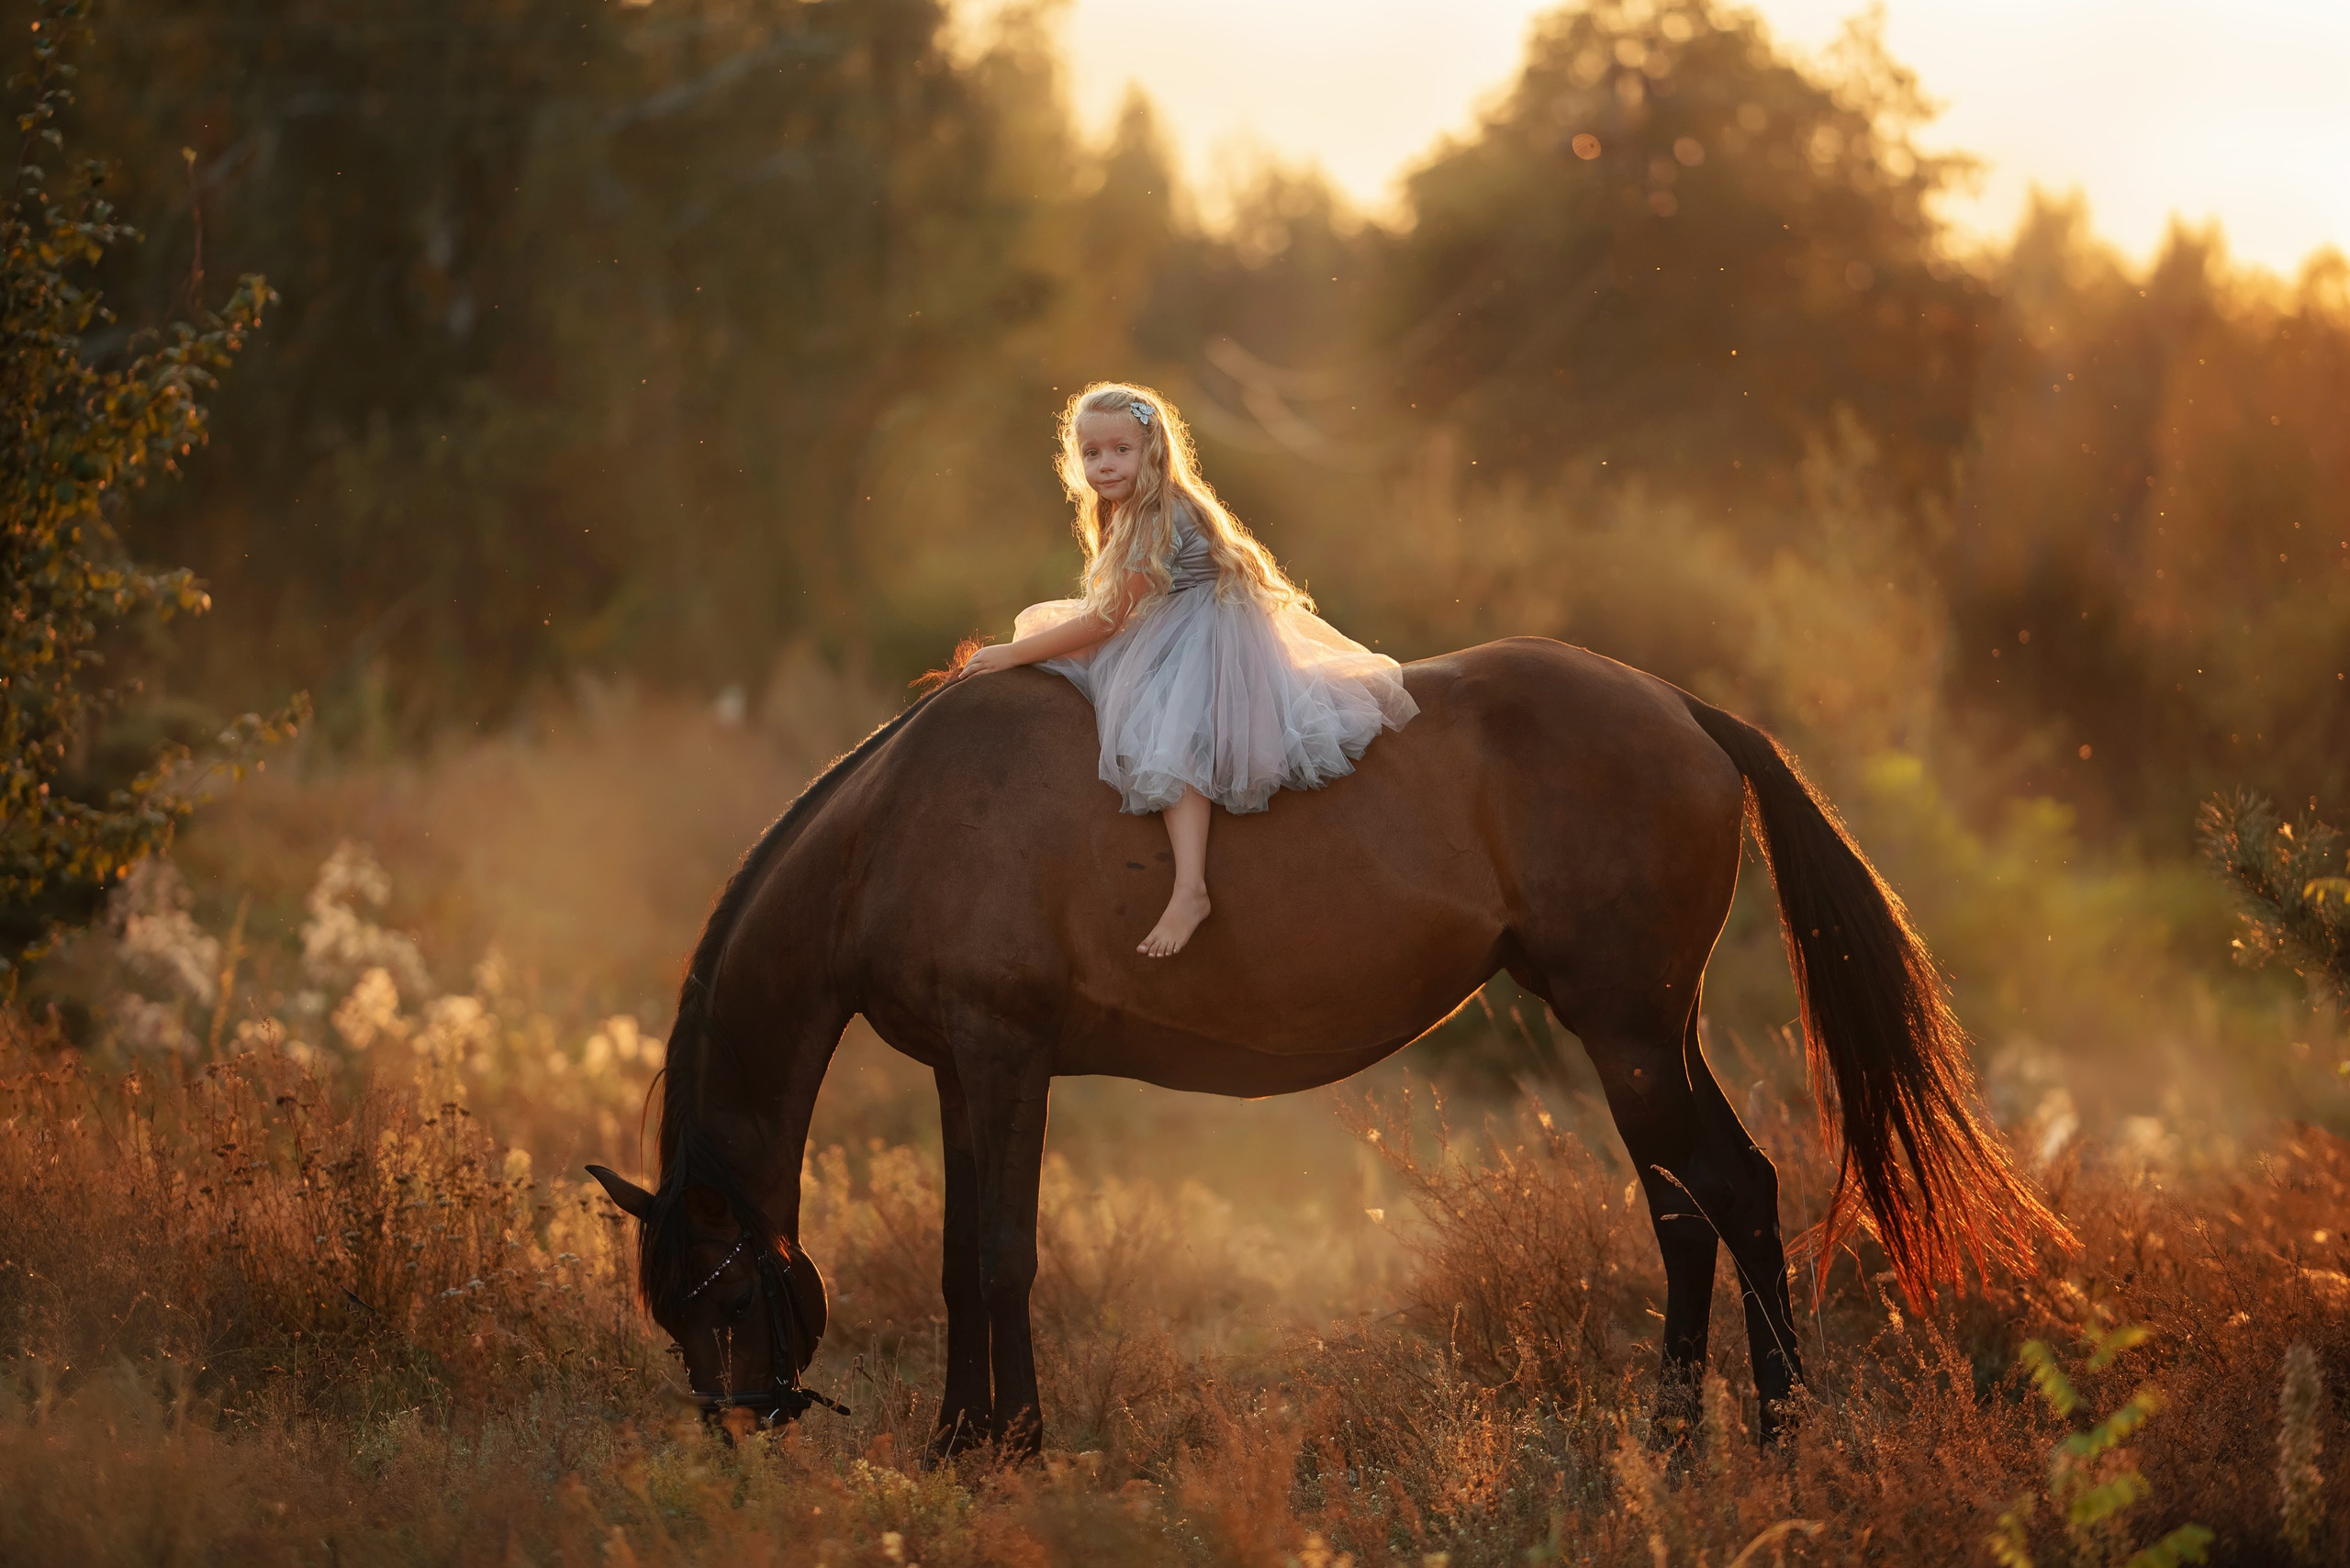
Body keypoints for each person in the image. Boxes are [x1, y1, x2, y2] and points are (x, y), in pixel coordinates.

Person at [954, 382, 1416, 957]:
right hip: (1169, 617)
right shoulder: (1125, 509)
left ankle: (1190, 890)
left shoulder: (1157, 514)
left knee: (1168, 728)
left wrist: (1012, 654)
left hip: (1209, 630)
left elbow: (1107, 620)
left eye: (1120, 449)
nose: (1105, 464)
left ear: (1152, 449)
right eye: (1091, 453)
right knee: (1070, 659)